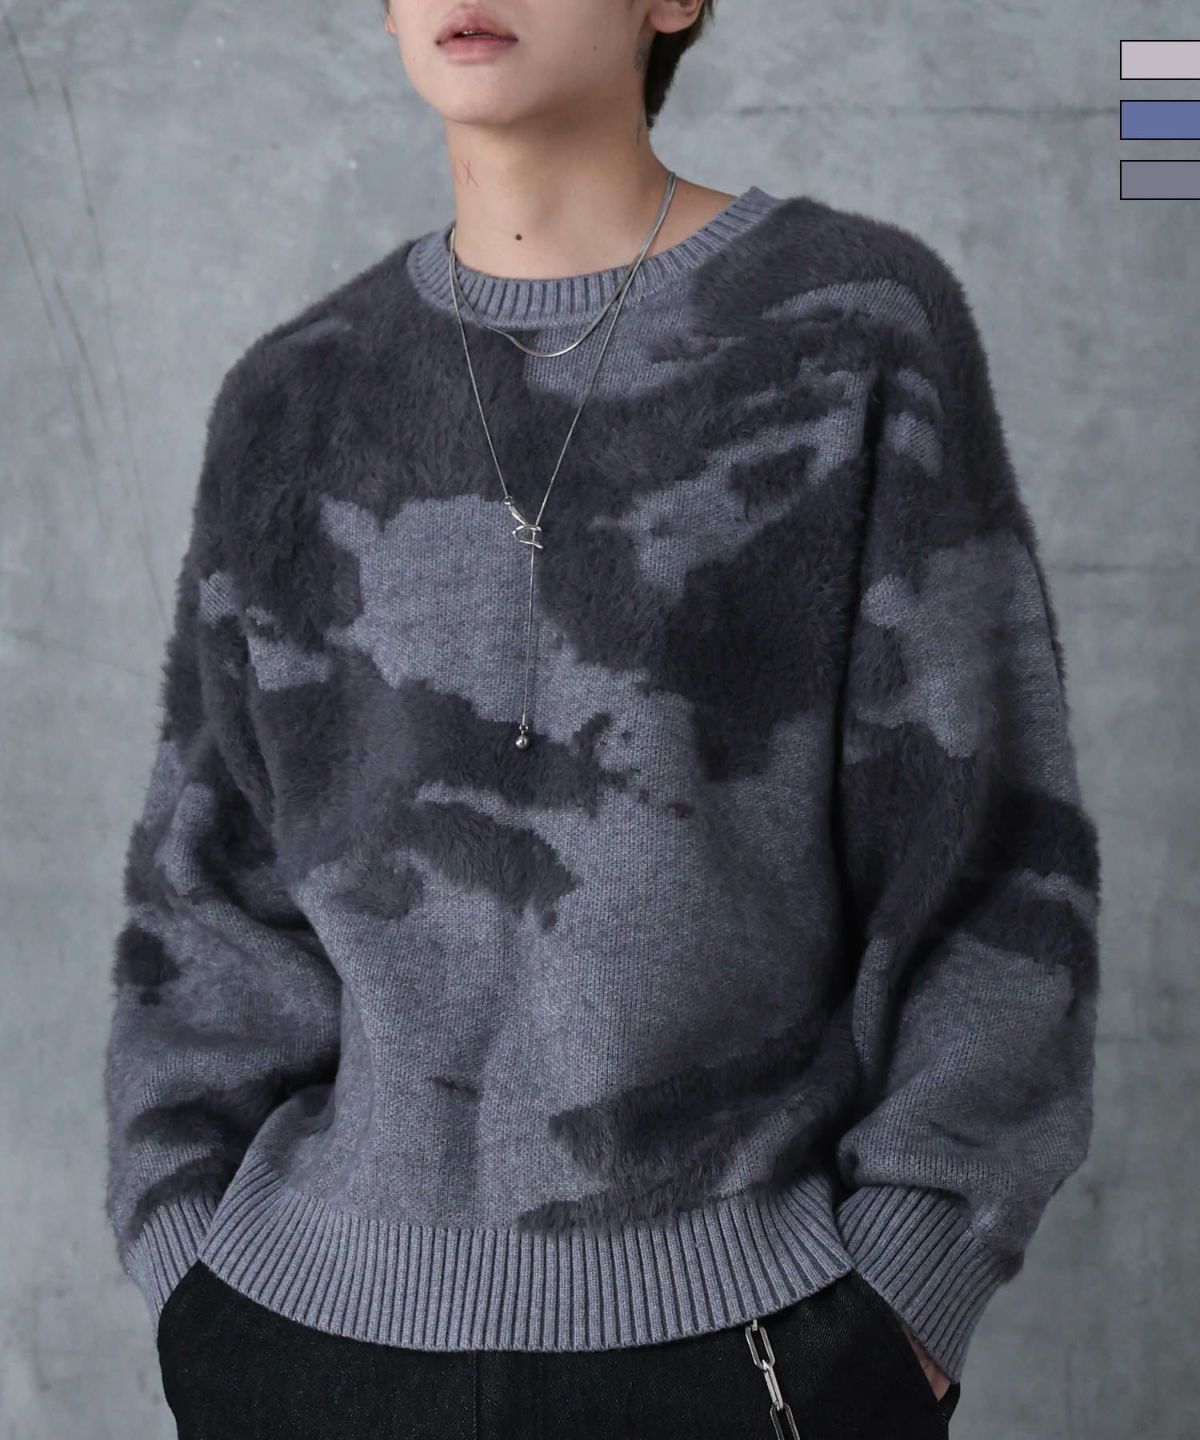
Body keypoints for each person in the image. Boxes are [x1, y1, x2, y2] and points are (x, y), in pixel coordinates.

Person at [102, 1, 1102, 1435]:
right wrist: (193, 1275)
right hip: (311, 1342)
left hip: (748, 1347)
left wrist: (904, 1302)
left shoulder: (852, 332)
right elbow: (204, 901)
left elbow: (996, 861)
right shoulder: (293, 397)